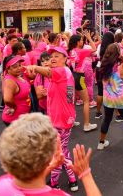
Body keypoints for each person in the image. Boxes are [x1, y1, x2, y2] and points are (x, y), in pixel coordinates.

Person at [0, 113, 101, 196]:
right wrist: (86, 175)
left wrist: (51, 166)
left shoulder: (2, 184)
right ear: (48, 157)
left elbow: (29, 179)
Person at [28, 47, 78, 191]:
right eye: (51, 57)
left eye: (57, 56)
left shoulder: (62, 72)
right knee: (61, 150)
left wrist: (35, 67)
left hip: (61, 120)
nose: (53, 59)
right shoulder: (63, 72)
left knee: (58, 152)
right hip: (61, 118)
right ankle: (70, 179)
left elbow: (49, 72)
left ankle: (58, 181)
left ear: (65, 59)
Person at [68, 32, 97, 132]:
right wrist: (89, 38)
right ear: (77, 42)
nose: (82, 41)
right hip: (79, 77)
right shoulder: (81, 51)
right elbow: (94, 49)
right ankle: (86, 124)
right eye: (81, 40)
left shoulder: (71, 51)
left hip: (72, 76)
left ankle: (70, 121)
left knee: (71, 101)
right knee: (86, 101)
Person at [2, 55, 31, 126]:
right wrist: (14, 107)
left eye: (20, 65)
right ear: (8, 69)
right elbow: (7, 100)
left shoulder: (17, 76)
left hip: (22, 117)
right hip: (15, 120)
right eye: (15, 67)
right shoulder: (10, 81)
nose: (19, 68)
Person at [95, 32, 115, 119]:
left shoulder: (100, 46)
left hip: (99, 68)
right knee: (112, 91)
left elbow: (97, 55)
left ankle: (98, 112)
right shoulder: (113, 47)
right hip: (109, 69)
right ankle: (115, 114)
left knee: (100, 92)